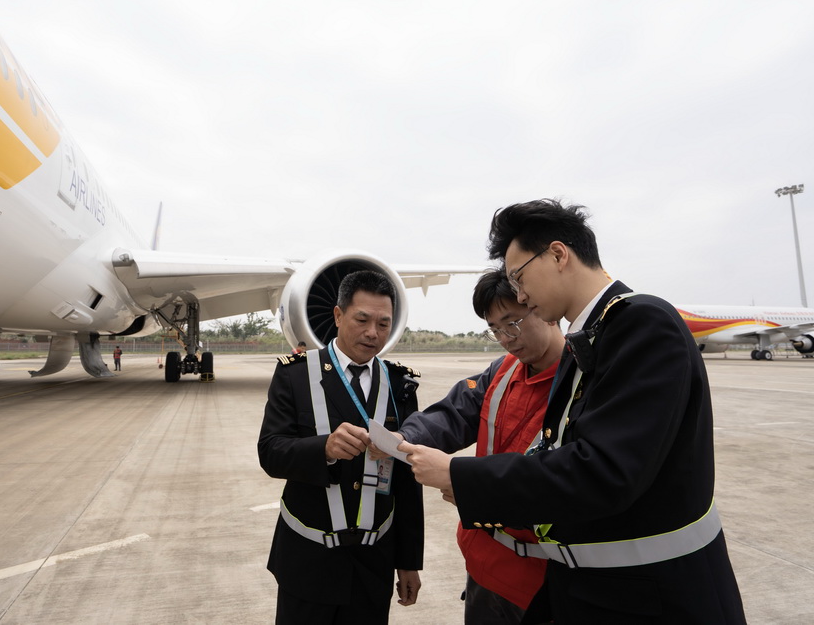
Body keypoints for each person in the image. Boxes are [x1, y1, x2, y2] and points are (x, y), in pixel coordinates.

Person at [399, 199, 746, 624]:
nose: (521, 293)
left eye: (519, 278)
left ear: (559, 254)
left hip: (651, 598)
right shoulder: (593, 337)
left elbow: (602, 471)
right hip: (595, 590)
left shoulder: (642, 324)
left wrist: (458, 475)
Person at [373, 268, 564, 624]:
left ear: (542, 306)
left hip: (546, 581)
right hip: (484, 568)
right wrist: (403, 439)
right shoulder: (503, 371)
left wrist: (471, 484)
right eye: (495, 329)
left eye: (513, 323)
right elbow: (451, 415)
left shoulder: (581, 382)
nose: (506, 338)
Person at [258, 270, 424, 624]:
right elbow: (270, 452)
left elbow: (407, 482)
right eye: (362, 319)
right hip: (308, 561)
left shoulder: (400, 384)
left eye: (383, 323)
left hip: (373, 564)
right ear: (337, 315)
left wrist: (409, 562)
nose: (372, 333)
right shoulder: (296, 375)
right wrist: (324, 449)